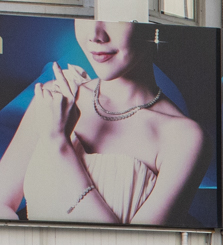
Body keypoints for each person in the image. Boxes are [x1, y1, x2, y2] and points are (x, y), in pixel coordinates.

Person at [0, 21, 207, 225]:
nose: (95, 34)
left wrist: (59, 145)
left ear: (151, 21)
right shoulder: (56, 98)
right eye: (87, 14)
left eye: (114, 16)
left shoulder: (183, 138)